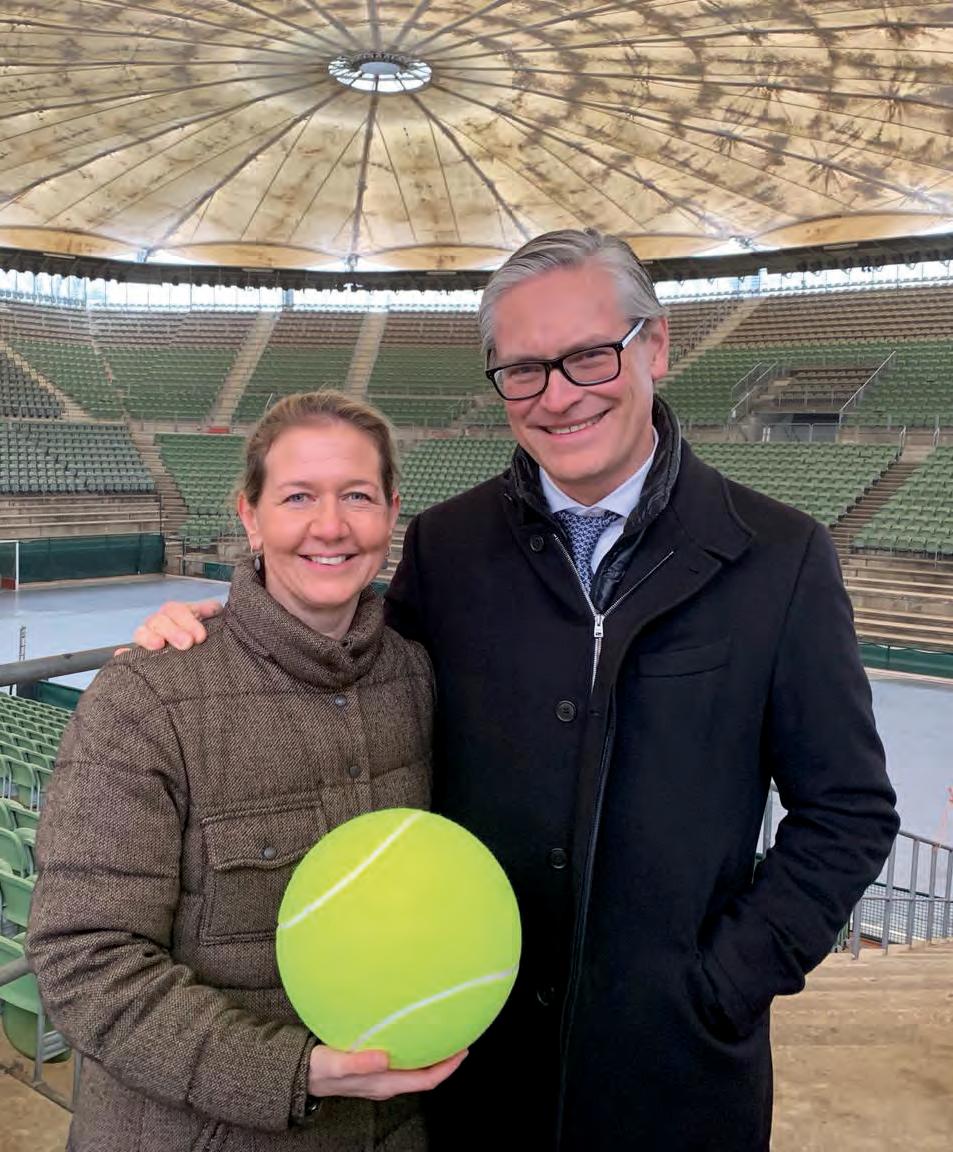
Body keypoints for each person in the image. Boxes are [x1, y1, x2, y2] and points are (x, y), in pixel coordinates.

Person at [130, 230, 900, 1151]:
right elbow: (348, 681)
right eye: (524, 370)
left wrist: (725, 982)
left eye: (588, 355)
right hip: (473, 1078)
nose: (559, 394)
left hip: (673, 1083)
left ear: (654, 347)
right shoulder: (448, 549)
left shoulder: (780, 557)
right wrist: (224, 630)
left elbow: (847, 810)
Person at [27, 391, 466, 1152]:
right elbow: (83, 960)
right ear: (251, 516)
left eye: (356, 496)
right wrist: (298, 1074)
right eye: (298, 497)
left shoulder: (420, 679)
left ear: (391, 514)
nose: (329, 526)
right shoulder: (147, 698)